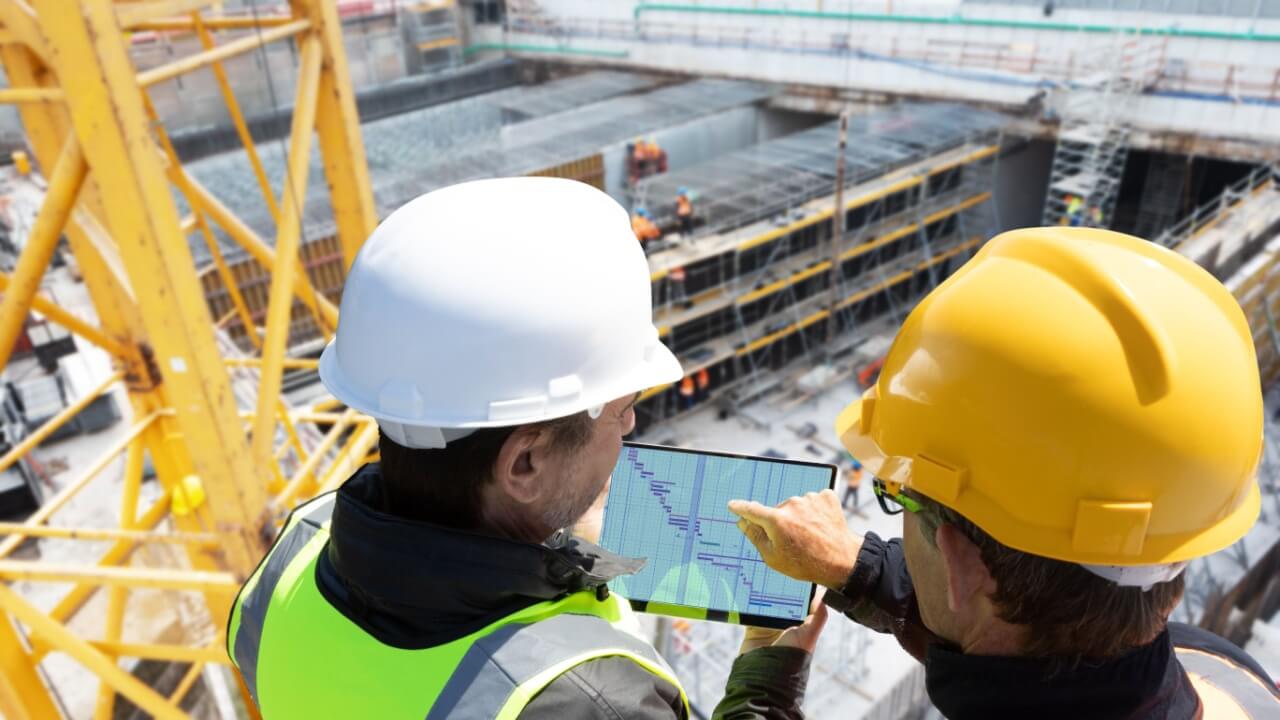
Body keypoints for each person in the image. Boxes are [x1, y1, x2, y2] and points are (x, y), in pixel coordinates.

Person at [227, 178, 827, 719]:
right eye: (621, 409)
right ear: (525, 462)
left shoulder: (295, 552)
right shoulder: (590, 702)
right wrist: (763, 684)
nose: (633, 422)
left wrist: (547, 545)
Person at [730, 227, 1280, 718]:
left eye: (899, 496)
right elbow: (1020, 658)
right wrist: (859, 569)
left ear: (962, 564)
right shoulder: (1220, 670)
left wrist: (761, 689)